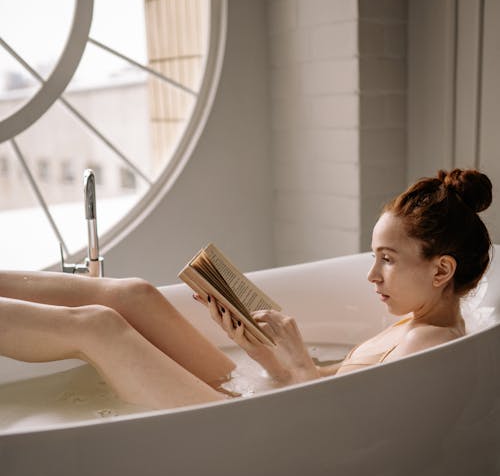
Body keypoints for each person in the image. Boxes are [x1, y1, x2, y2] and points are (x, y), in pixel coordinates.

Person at [0, 168, 492, 410]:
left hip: (246, 438)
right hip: (261, 408)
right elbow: (334, 384)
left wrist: (297, 361)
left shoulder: (430, 344)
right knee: (133, 296)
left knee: (100, 328)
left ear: (441, 269)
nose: (372, 275)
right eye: (372, 257)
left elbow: (339, 432)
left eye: (387, 259)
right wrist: (262, 352)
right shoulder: (414, 325)